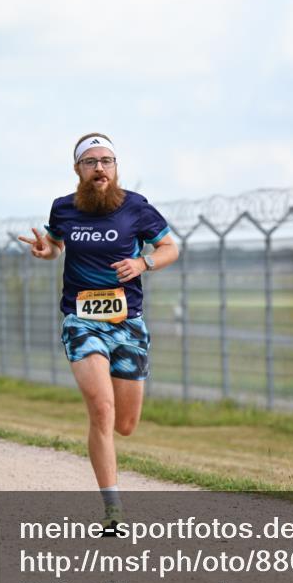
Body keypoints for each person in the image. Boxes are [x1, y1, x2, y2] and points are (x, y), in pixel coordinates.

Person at [18, 132, 179, 533]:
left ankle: (110, 470)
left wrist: (143, 264)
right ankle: (113, 510)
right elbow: (56, 245)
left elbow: (170, 248)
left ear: (116, 167)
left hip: (128, 324)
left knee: (125, 423)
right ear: (78, 170)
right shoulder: (64, 209)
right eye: (91, 162)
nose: (100, 168)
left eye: (107, 160)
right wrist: (47, 252)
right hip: (80, 319)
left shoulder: (135, 208)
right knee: (101, 408)